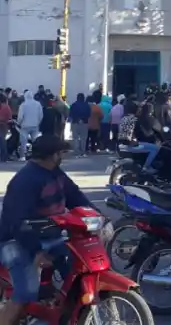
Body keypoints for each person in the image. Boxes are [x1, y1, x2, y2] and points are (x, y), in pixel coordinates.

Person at [0, 135, 91, 324]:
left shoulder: (55, 173)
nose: (63, 157)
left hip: (50, 236)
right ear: (53, 155)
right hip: (16, 241)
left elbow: (75, 196)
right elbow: (16, 223)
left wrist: (97, 217)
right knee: (26, 292)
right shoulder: (25, 181)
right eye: (61, 153)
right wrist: (38, 251)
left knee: (78, 270)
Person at [16, 91, 42, 161]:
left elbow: (20, 117)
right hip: (35, 125)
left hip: (25, 126)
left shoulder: (23, 105)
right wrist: (38, 122)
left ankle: (22, 156)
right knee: (35, 141)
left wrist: (19, 123)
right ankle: (36, 156)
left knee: (23, 142)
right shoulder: (38, 104)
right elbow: (41, 115)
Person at [68, 93, 91, 158]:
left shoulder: (73, 105)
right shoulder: (87, 105)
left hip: (75, 123)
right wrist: (83, 119)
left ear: (77, 98)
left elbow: (70, 114)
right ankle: (83, 151)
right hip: (84, 123)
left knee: (75, 138)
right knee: (83, 138)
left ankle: (76, 151)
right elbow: (89, 115)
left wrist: (77, 119)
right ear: (83, 98)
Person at [0, 95, 11, 163]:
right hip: (4, 125)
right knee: (3, 141)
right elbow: (9, 116)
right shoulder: (7, 107)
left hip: (2, 124)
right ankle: (3, 157)